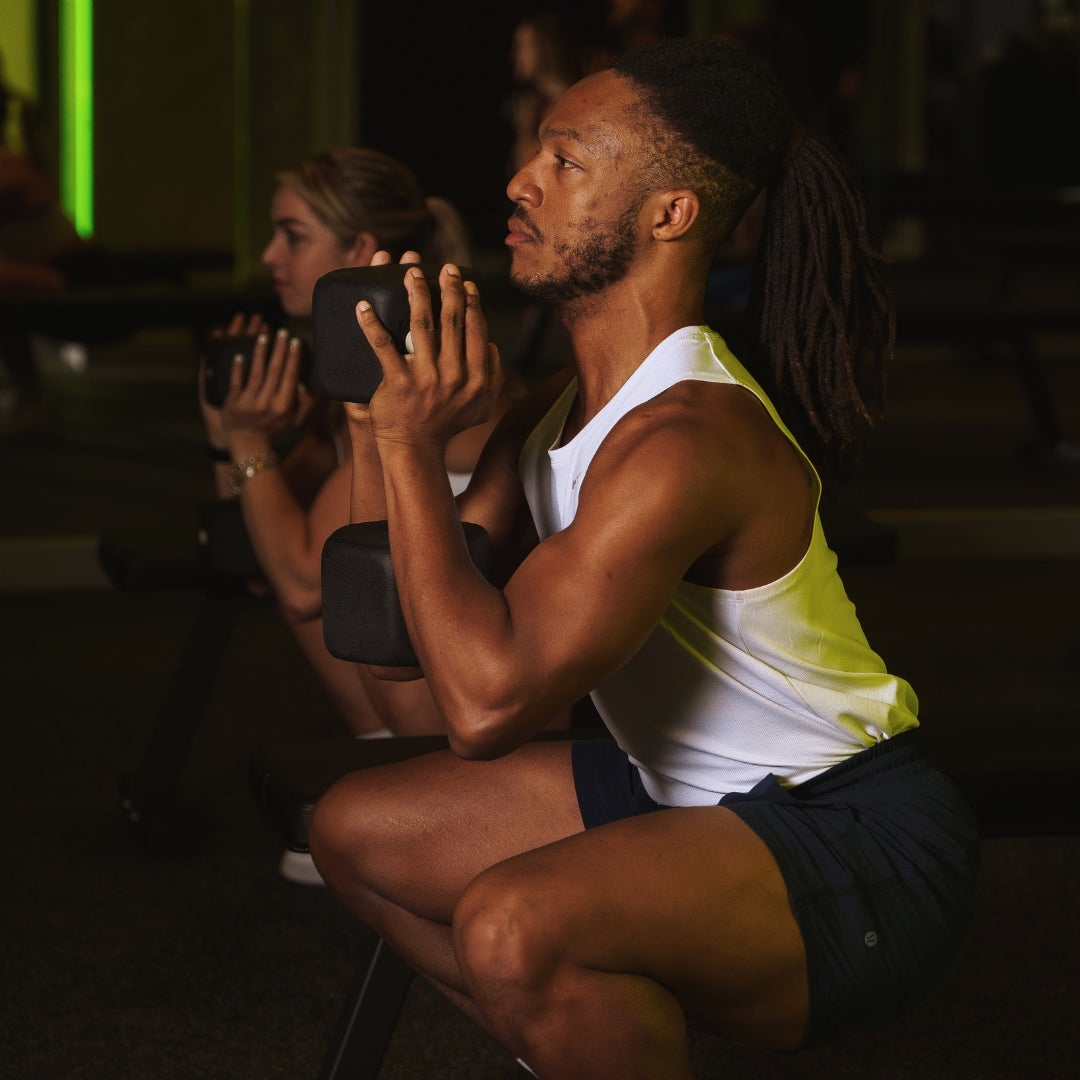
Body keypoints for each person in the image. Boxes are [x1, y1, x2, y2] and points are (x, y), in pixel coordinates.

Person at [307, 37, 979, 1075]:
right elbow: (400, 648)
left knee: (514, 925)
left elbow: (485, 708)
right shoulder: (555, 414)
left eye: (568, 161)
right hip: (675, 789)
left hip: (852, 833)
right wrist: (389, 428)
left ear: (671, 213)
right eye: (537, 151)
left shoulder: (685, 442)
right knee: (354, 832)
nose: (520, 182)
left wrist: (405, 446)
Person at [198, 147, 509, 744]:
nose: (270, 256)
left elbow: (296, 582)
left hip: (439, 716)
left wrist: (247, 438)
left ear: (360, 254)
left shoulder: (428, 395)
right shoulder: (345, 395)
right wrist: (226, 440)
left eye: (292, 236)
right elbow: (254, 552)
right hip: (394, 699)